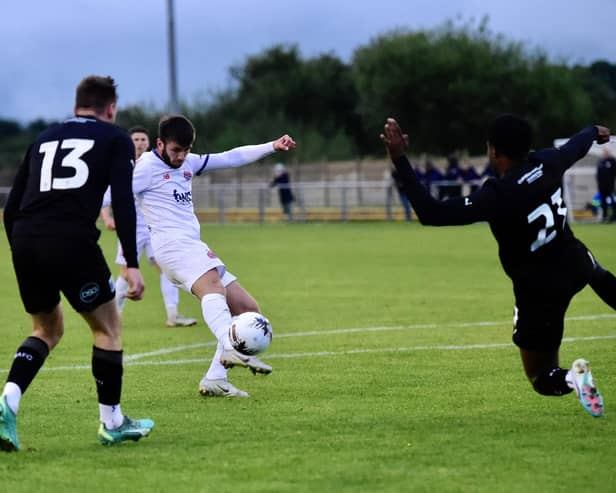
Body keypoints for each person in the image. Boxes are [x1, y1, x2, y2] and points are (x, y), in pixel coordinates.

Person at [381, 115, 614, 417]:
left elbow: (430, 211)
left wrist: (400, 159)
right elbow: (577, 145)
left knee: (541, 377)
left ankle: (574, 378)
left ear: (493, 152)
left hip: (538, 290)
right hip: (573, 260)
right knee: (599, 276)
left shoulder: (497, 195)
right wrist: (594, 130)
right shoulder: (549, 161)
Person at [0, 75, 154, 452]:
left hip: (25, 238)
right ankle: (111, 421)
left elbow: (11, 205)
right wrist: (131, 262)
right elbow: (122, 199)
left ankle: (7, 402)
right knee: (107, 328)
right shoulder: (116, 138)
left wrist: (22, 249)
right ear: (111, 108)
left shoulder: (43, 137)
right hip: (71, 241)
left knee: (46, 329)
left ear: (76, 106)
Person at [132, 115, 296, 398]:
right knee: (212, 285)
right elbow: (113, 194)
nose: (181, 157)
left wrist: (272, 146)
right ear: (159, 144)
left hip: (191, 245)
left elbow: (230, 157)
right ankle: (231, 346)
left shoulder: (188, 162)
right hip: (171, 246)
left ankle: (215, 379)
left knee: (247, 307)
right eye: (175, 151)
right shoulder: (145, 167)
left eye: (186, 150)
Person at [101, 126, 197, 327]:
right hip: (131, 228)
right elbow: (110, 192)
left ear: (150, 142)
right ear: (129, 142)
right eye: (135, 139)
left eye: (143, 139)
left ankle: (173, 314)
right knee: (126, 273)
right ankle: (113, 316)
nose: (139, 143)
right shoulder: (123, 164)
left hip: (154, 226)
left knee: (166, 269)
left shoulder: (156, 164)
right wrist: (107, 217)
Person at [595, 147, 616, 222]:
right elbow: (598, 175)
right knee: (603, 202)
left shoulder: (612, 161)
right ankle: (604, 217)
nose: (605, 153)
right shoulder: (601, 161)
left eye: (606, 152)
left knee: (612, 201)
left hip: (610, 186)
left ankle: (614, 216)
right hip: (601, 186)